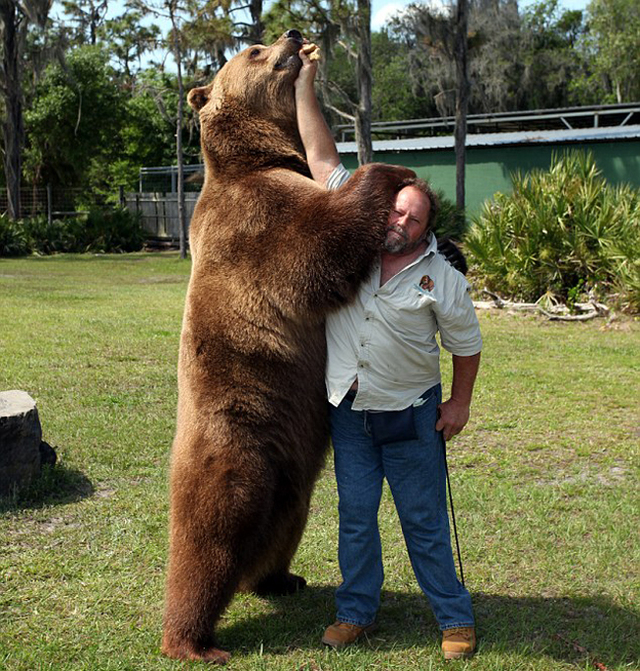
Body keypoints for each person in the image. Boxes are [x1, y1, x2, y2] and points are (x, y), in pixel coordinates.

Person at [294, 46, 482, 661]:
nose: (397, 220)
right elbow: (322, 157)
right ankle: (356, 612)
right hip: (349, 409)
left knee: (424, 523)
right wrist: (306, 81)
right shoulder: (356, 227)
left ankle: (454, 618)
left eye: (411, 216)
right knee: (355, 519)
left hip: (410, 414)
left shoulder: (442, 279)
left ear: (426, 230)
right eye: (395, 208)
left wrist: (458, 403)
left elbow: (467, 345)